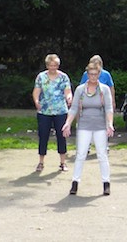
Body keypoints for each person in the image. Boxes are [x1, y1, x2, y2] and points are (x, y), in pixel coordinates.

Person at [62, 62, 114, 196]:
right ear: (87, 74)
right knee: (80, 154)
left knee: (102, 155)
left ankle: (106, 183)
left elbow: (109, 108)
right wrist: (68, 123)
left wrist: (110, 124)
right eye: (90, 74)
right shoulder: (80, 89)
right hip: (84, 124)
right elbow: (73, 108)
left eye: (95, 74)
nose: (93, 77)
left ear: (99, 74)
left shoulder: (104, 90)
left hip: (100, 125)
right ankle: (75, 182)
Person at [33, 53, 73, 172]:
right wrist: (36, 101)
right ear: (47, 65)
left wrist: (69, 98)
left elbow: (68, 91)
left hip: (60, 110)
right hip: (44, 111)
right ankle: (41, 162)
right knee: (43, 136)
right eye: (51, 65)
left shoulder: (63, 77)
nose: (53, 67)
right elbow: (36, 91)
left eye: (55, 65)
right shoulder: (41, 77)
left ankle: (62, 162)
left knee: (62, 136)